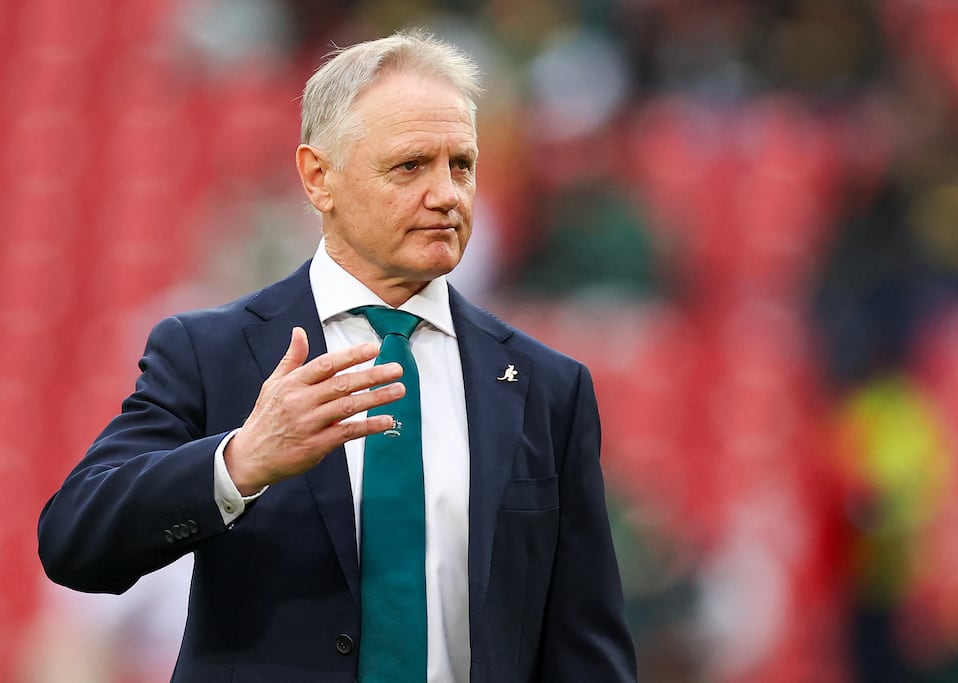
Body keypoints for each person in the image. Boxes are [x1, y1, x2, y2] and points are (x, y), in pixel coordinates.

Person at [37, 29, 636, 682]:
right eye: (410, 166)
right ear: (319, 178)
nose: (447, 194)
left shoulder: (546, 386)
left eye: (461, 165)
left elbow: (586, 648)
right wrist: (240, 462)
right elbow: (74, 540)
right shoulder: (211, 353)